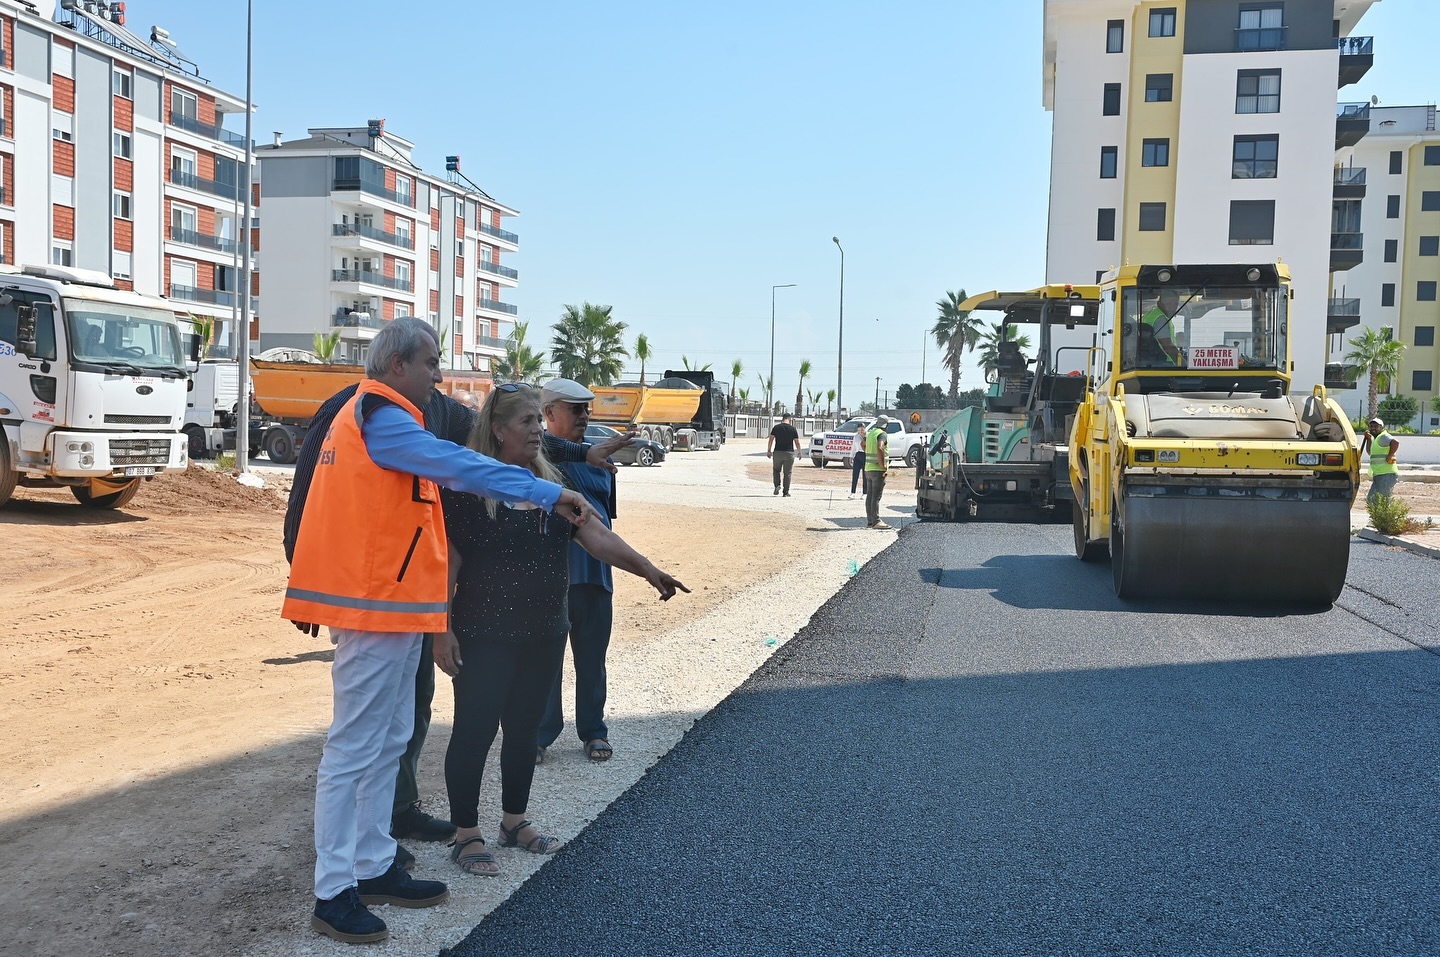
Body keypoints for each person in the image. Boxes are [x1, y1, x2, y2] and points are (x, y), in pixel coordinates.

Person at [283, 318, 598, 945]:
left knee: (388, 739)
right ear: (397, 364)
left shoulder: (387, 415)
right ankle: (333, 890)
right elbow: (459, 464)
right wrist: (541, 492)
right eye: (430, 362)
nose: (438, 374)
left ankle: (372, 865)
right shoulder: (381, 415)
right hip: (372, 608)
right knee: (354, 748)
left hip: (397, 608)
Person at [433, 384, 688, 878]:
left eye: (538, 419)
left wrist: (648, 569)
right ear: (498, 430)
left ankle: (514, 822)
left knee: (524, 731)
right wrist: (440, 628)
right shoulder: (466, 490)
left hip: (545, 631)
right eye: (527, 422)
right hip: (484, 632)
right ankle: (466, 834)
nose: (538, 432)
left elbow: (598, 537)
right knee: (474, 732)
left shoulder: (554, 486)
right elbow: (450, 563)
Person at [537, 378, 620, 765]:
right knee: (545, 663)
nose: (584, 415)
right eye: (575, 409)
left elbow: (606, 519)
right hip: (550, 581)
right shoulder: (536, 459)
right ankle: (540, 734)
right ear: (549, 412)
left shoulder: (601, 463)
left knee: (592, 661)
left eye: (587, 408)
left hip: (595, 578)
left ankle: (593, 730)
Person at [1361, 416, 1401, 505]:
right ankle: (1379, 514)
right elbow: (1370, 452)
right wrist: (1368, 440)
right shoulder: (1376, 439)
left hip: (1386, 474)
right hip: (1379, 474)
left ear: (1381, 428)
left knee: (1382, 501)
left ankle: (1386, 514)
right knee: (1372, 500)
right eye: (1371, 426)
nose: (1373, 428)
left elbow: (1395, 442)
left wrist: (1390, 456)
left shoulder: (1383, 436)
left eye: (1376, 426)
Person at [1140, 290, 1183, 365]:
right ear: (1159, 304)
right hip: (1163, 363)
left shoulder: (1151, 315)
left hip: (1151, 361)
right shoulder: (1160, 318)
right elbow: (1168, 346)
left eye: (1175, 304)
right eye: (1168, 304)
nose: (1172, 308)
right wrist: (1183, 364)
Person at [864, 416, 892, 530]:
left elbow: (862, 444)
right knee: (876, 496)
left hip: (868, 469)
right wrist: (882, 465)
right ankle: (876, 521)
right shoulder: (882, 434)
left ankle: (870, 521)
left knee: (870, 496)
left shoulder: (870, 433)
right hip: (878, 470)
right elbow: (880, 447)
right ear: (886, 425)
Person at [767, 413, 802, 496]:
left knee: (776, 470)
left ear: (782, 419)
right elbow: (797, 442)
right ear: (790, 419)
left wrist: (769, 450)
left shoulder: (776, 428)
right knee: (787, 473)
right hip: (789, 453)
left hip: (777, 452)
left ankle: (777, 485)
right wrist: (799, 452)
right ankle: (785, 492)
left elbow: (771, 439)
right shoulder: (793, 429)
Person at [849, 421, 867, 499]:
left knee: (865, 475)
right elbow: (853, 447)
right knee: (855, 474)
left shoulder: (868, 436)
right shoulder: (856, 436)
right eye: (859, 430)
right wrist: (851, 456)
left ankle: (865, 493)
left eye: (862, 429)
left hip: (865, 454)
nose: (860, 431)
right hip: (858, 454)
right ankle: (852, 492)